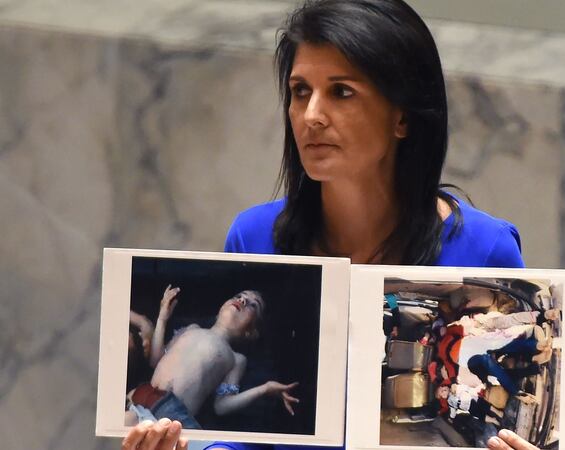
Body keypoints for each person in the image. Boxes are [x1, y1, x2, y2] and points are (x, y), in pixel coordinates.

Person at [121, 0, 538, 449]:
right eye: (301, 91)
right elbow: (247, 436)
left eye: (341, 92)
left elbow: (504, 417)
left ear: (402, 116)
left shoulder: (484, 248)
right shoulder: (255, 237)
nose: (311, 115)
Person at [123, 286, 299, 431]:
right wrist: (163, 317)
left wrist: (265, 389)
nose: (243, 301)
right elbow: (156, 360)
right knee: (125, 421)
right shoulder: (191, 329)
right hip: (144, 399)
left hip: (174, 416)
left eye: (253, 305)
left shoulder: (236, 359)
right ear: (220, 308)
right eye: (239, 295)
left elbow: (221, 406)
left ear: (251, 332)